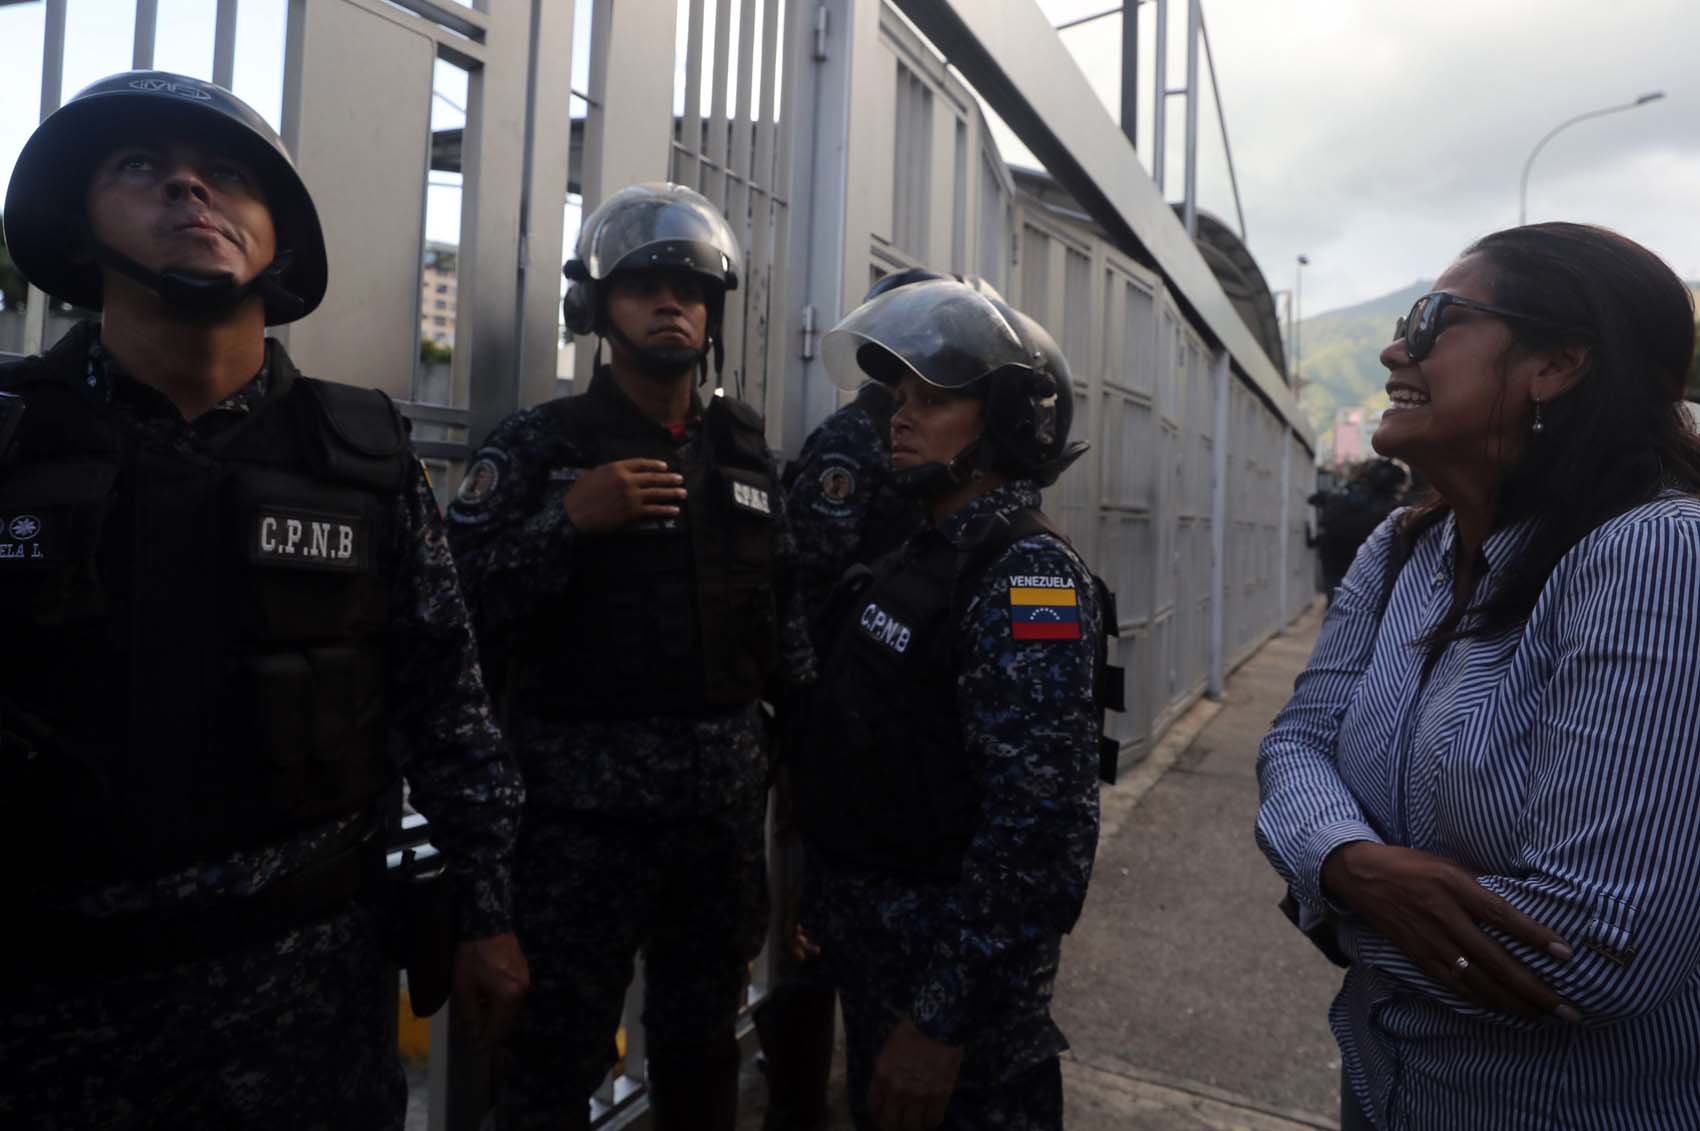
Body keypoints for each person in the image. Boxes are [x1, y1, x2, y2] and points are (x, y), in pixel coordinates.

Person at [0, 71, 528, 1127]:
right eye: (140, 167)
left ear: (276, 238)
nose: (190, 188)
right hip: (48, 1012)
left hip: (309, 1001)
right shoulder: (13, 442)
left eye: (228, 175)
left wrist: (486, 912)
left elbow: (449, 712)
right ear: (76, 222)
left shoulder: (362, 457)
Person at [1257, 223, 1700, 1130]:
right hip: (1384, 1087)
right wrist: (1347, 863)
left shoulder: (1656, 555)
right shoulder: (1402, 547)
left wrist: (1320, 893)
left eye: (1433, 320)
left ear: (1559, 364)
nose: (1393, 348)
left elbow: (1595, 951)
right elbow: (1296, 742)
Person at [446, 181, 815, 1131]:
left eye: (692, 290)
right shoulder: (542, 446)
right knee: (548, 1067)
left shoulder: (743, 452)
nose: (671, 303)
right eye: (646, 284)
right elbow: (450, 611)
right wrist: (569, 523)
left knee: (700, 1057)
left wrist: (802, 776)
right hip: (578, 831)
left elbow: (784, 622)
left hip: (718, 828)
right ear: (597, 307)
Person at [795, 279, 1106, 1130]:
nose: (899, 417)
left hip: (955, 1010)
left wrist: (942, 1017)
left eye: (931, 399)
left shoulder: (1028, 574)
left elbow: (1037, 827)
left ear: (1007, 422)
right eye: (897, 398)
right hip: (885, 969)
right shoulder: (927, 549)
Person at [756, 267, 939, 1131]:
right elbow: (806, 591)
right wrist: (803, 738)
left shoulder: (939, 439)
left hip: (900, 728)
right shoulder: (854, 442)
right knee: (814, 935)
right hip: (841, 719)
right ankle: (798, 1103)